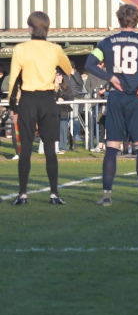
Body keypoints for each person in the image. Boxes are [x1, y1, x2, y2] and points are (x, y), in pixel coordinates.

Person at [85, 3, 138, 206]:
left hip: (116, 97)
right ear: (137, 21)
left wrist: (110, 77)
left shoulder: (107, 42)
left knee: (112, 146)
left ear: (118, 20)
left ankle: (106, 196)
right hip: (136, 97)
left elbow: (89, 64)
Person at [6, 12, 73, 205]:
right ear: (47, 28)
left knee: (25, 148)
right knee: (50, 149)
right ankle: (53, 194)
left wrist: (13, 105)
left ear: (30, 28)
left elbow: (13, 80)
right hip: (47, 99)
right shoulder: (54, 49)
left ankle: (22, 195)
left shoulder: (20, 48)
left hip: (27, 99)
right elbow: (68, 69)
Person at [55, 71, 74, 154]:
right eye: (57, 76)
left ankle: (63, 147)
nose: (59, 78)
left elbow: (71, 97)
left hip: (63, 111)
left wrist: (62, 98)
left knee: (63, 129)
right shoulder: (51, 88)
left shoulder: (66, 88)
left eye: (60, 76)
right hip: (54, 111)